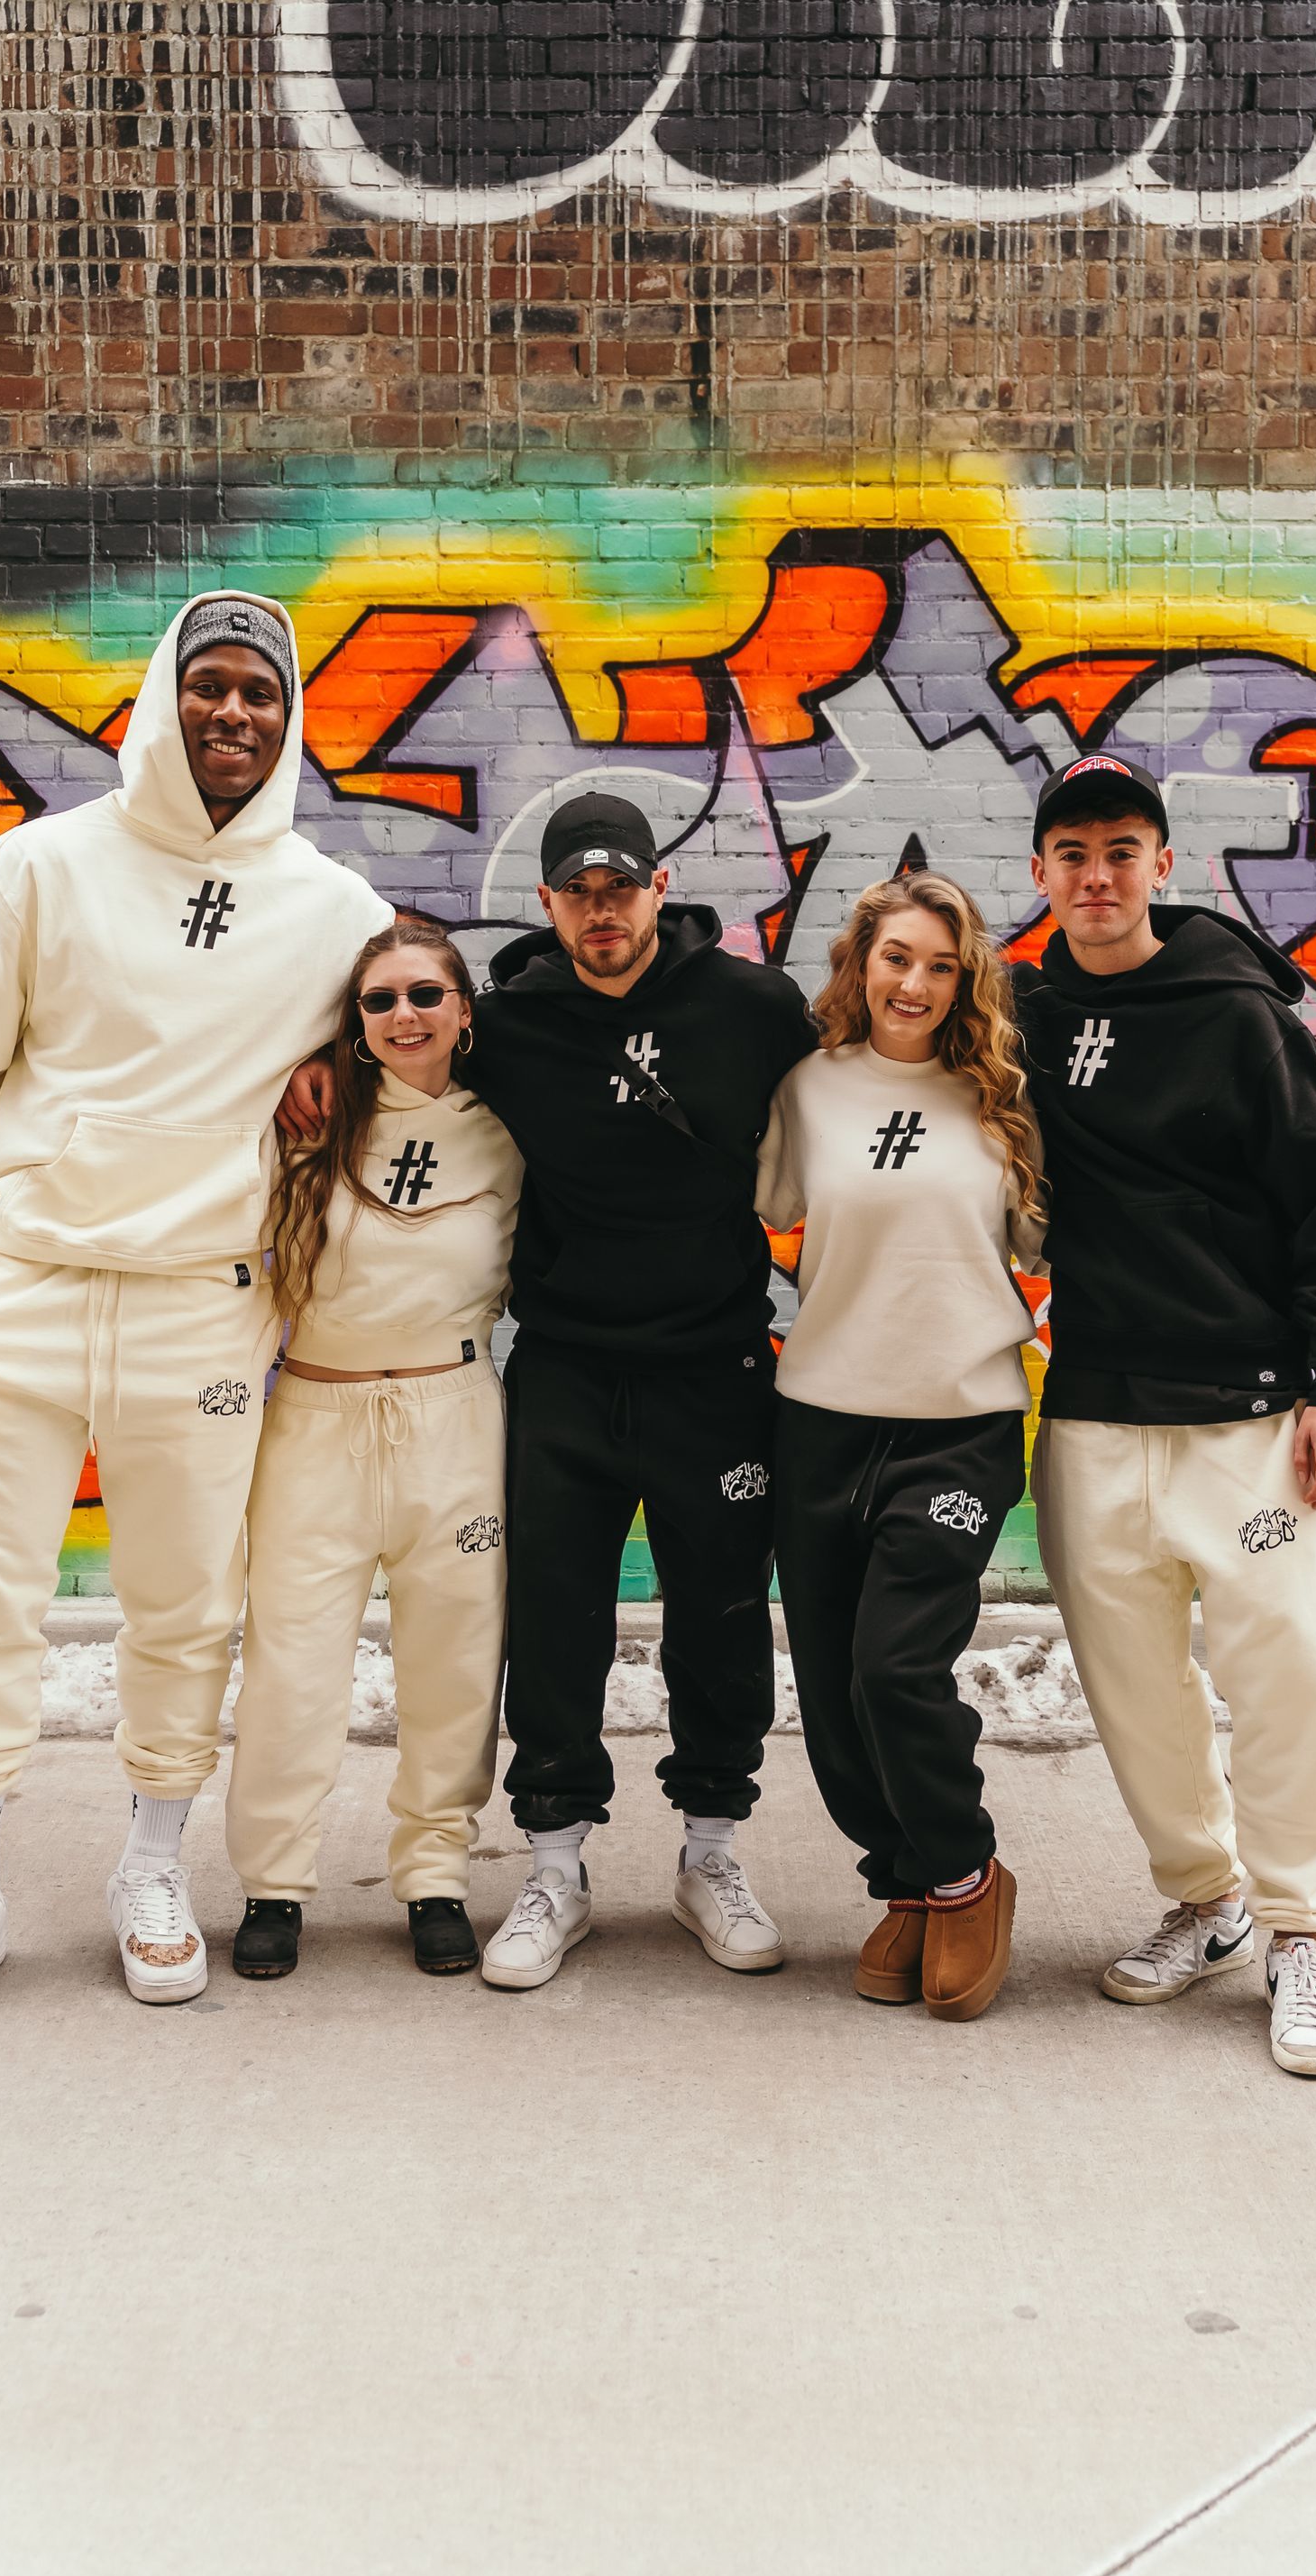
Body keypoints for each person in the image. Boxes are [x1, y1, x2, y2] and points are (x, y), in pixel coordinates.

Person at [0, 589, 393, 2039]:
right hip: (18, 1295)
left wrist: (331, 1097)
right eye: (211, 684)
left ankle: (152, 1869)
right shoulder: (35, 867)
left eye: (262, 693)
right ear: (164, 696)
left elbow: (406, 1058)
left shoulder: (335, 908)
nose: (235, 713)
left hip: (199, 1309)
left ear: (292, 720)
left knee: (185, 1610)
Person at [280, 791, 818, 1990]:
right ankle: (558, 1862)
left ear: (658, 889)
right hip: (567, 1370)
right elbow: (398, 1042)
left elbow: (860, 1081)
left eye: (620, 886)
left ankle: (712, 1855)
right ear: (549, 904)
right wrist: (307, 1072)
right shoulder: (514, 1022)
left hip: (717, 1370)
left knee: (720, 1619)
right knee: (555, 1624)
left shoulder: (752, 1007)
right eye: (578, 890)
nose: (601, 910)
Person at [1015, 754, 1316, 2078]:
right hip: (1098, 1411)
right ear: (1042, 872)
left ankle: (1300, 1929)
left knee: (1285, 1671)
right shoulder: (1021, 1012)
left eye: (1123, 849)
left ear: (1163, 864)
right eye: (1073, 852)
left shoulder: (1242, 1017)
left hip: (1253, 1411)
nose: (1099, 875)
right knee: (1133, 1688)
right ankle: (1208, 1896)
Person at [757, 873, 1045, 2021]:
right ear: (859, 965)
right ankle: (910, 1881)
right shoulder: (808, 1091)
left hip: (959, 1423)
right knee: (831, 1691)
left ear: (962, 979)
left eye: (938, 964)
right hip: (821, 1414)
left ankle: (969, 1870)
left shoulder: (1001, 1102)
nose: (914, 984)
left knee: (894, 1665)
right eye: (896, 959)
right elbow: (741, 1205)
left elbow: (1071, 1236)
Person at [225, 924, 522, 1980]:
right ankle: (274, 1884)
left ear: (464, 1010)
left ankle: (436, 1877)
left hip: (455, 1416)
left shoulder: (508, 1131)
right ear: (354, 1023)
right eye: (381, 1000)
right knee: (292, 1665)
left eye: (427, 994)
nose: (406, 1015)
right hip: (317, 1416)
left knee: (452, 1660)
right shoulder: (305, 1122)